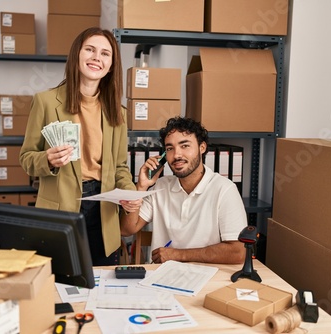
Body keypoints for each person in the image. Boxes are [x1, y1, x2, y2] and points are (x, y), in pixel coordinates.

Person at [20, 27, 140, 266]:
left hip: (103, 208)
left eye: (106, 54)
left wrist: (129, 193)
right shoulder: (45, 101)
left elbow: (119, 166)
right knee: (60, 281)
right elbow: (26, 158)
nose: (97, 57)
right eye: (90, 50)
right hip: (61, 208)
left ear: (111, 66)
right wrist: (47, 159)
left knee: (101, 280)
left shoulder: (118, 113)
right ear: (77, 55)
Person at [120, 117, 247, 264]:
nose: (176, 155)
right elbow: (126, 229)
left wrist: (177, 254)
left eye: (184, 146)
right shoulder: (161, 186)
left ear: (202, 147)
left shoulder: (225, 189)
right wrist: (141, 187)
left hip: (206, 278)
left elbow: (238, 252)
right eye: (169, 148)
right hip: (163, 277)